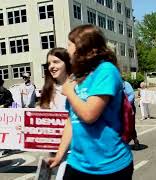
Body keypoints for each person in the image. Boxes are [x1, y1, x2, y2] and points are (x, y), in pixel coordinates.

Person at [47, 24, 133, 179]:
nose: (68, 50)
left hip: (109, 166)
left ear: (84, 48)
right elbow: (71, 120)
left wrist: (69, 93)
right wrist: (60, 154)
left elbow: (89, 115)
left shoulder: (106, 71)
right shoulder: (77, 76)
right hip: (77, 164)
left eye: (70, 45)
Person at [39, 47, 71, 180]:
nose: (51, 66)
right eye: (49, 64)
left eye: (56, 62)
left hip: (75, 152)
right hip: (55, 151)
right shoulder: (48, 89)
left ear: (67, 63)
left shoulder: (78, 86)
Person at [123, 78, 140, 148]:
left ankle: (135, 140)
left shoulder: (126, 84)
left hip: (129, 108)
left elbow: (132, 95)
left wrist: (126, 104)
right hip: (119, 109)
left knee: (130, 125)